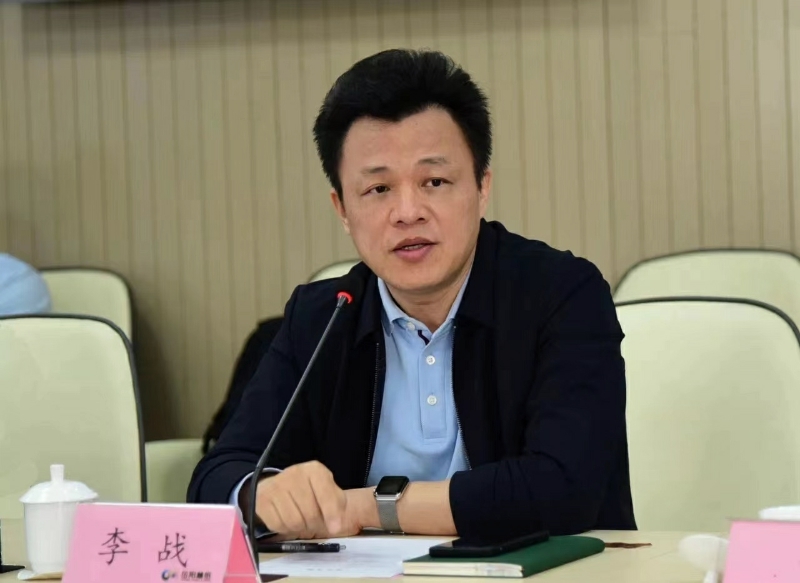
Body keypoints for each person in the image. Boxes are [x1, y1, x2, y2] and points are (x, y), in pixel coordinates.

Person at [187, 49, 635, 542]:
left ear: (482, 187)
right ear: (342, 209)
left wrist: (365, 506)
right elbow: (217, 475)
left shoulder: (561, 295)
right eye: (378, 190)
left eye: (434, 182)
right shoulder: (322, 317)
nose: (407, 212)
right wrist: (261, 494)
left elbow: (563, 490)